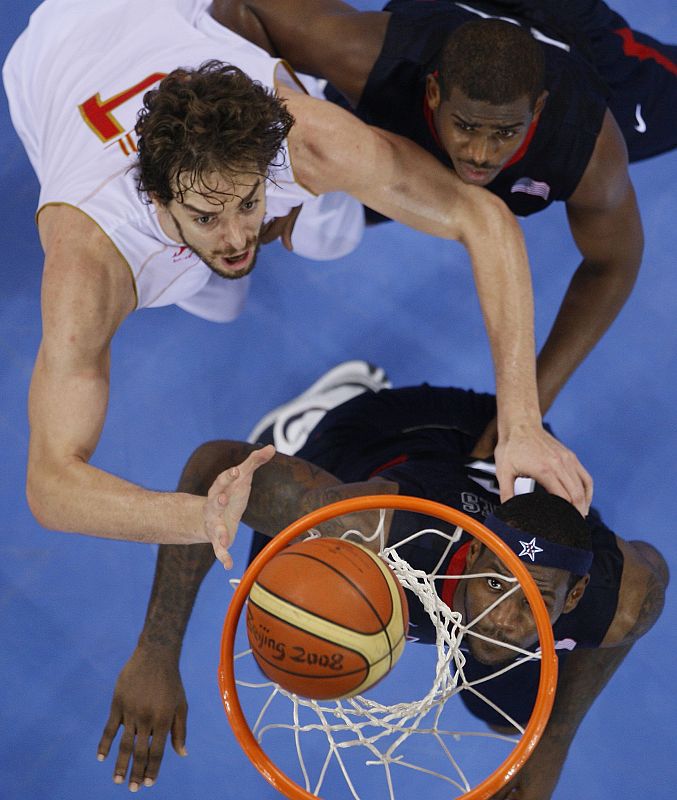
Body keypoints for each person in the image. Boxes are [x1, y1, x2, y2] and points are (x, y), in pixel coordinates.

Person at [2, 0, 592, 565]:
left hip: (159, 11)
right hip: (50, 60)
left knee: (324, 235)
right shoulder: (91, 265)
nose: (237, 236)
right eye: (207, 217)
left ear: (269, 165)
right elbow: (51, 483)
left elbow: (483, 217)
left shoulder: (303, 139)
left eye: (250, 202)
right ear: (155, 196)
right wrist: (197, 516)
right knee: (214, 296)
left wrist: (522, 422)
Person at [98, 362, 667, 798]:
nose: (506, 618)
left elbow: (623, 608)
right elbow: (210, 469)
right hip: (393, 438)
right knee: (293, 601)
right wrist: (155, 652)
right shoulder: (370, 526)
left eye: (539, 598)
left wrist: (551, 745)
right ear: (468, 559)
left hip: (493, 462)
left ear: (576, 595)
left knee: (513, 716)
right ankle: (318, 415)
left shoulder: (622, 603)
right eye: (497, 584)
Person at [214, 0, 676, 450]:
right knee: (309, 211)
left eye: (504, 133)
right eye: (467, 125)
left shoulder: (588, 146)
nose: (480, 153)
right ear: (433, 94)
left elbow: (612, 265)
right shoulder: (371, 57)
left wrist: (527, 404)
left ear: (537, 110)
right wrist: (273, 158)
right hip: (430, 57)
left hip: (579, 37)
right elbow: (241, 9)